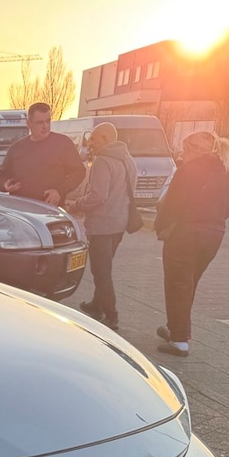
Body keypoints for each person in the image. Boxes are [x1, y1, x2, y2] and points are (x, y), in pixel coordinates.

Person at [153, 130, 229, 356]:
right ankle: (176, 328)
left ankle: (179, 340)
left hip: (184, 234)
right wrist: (214, 220)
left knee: (177, 284)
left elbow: (171, 205)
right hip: (213, 235)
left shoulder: (188, 170)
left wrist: (161, 226)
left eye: (185, 149)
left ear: (194, 149)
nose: (182, 154)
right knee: (189, 282)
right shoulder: (225, 171)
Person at [68, 121, 138, 331]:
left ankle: (111, 314)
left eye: (94, 139)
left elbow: (97, 196)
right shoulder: (128, 160)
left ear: (106, 139)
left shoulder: (103, 161)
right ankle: (96, 305)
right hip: (119, 223)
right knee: (104, 268)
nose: (90, 143)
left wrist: (77, 204)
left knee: (101, 272)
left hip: (102, 225)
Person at [0, 102, 86, 206]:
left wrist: (59, 191)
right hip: (20, 210)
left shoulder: (62, 144)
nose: (45, 126)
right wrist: (5, 184)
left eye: (48, 121)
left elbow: (79, 171)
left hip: (50, 210)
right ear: (29, 123)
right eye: (40, 122)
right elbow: (1, 177)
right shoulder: (17, 148)